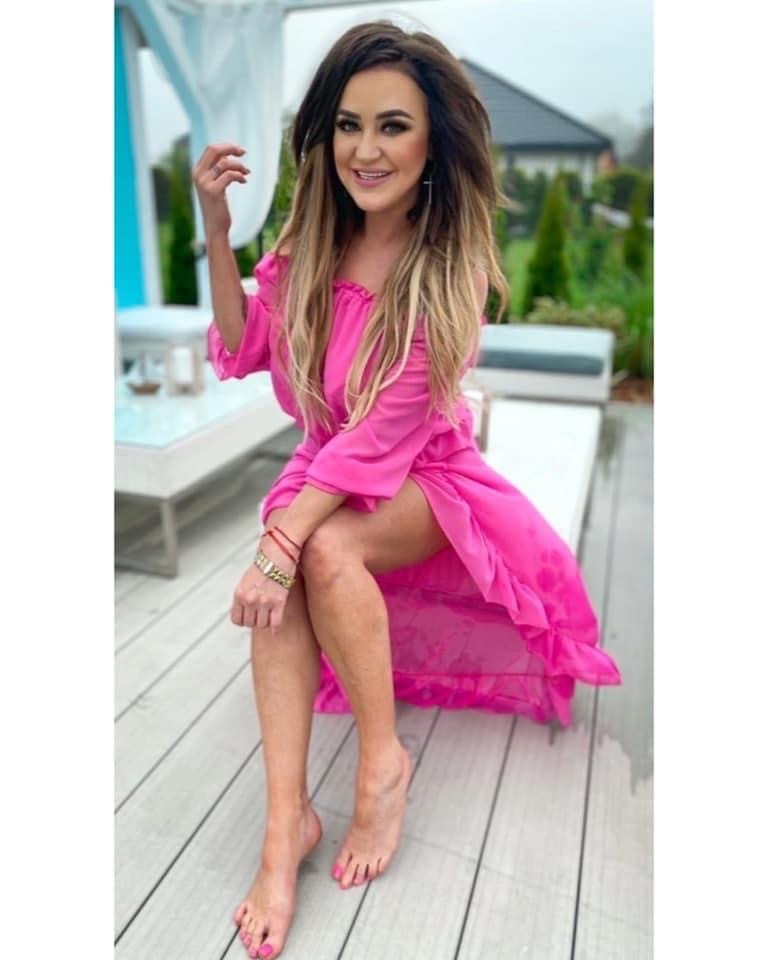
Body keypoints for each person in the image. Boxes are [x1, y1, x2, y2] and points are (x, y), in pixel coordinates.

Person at [194, 20, 621, 960]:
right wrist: (218, 234)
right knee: (296, 555)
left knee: (317, 544)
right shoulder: (313, 243)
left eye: (393, 126)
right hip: (327, 460)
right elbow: (246, 343)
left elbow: (381, 439)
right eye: (349, 125)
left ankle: (382, 763)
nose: (366, 149)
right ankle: (284, 827)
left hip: (422, 470)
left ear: (433, 143)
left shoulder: (444, 267)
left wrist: (279, 542)